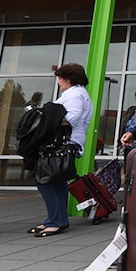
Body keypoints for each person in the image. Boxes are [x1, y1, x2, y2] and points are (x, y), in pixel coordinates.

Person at [31, 64, 94, 237]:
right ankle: (56, 219)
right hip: (68, 143)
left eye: (60, 78)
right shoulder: (78, 93)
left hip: (63, 143)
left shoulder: (74, 94)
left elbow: (71, 118)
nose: (58, 82)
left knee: (45, 180)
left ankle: (56, 221)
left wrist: (46, 120)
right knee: (56, 181)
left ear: (68, 79)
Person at [119, 87, 136, 158]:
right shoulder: (130, 110)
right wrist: (119, 142)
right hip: (127, 144)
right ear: (135, 98)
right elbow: (124, 125)